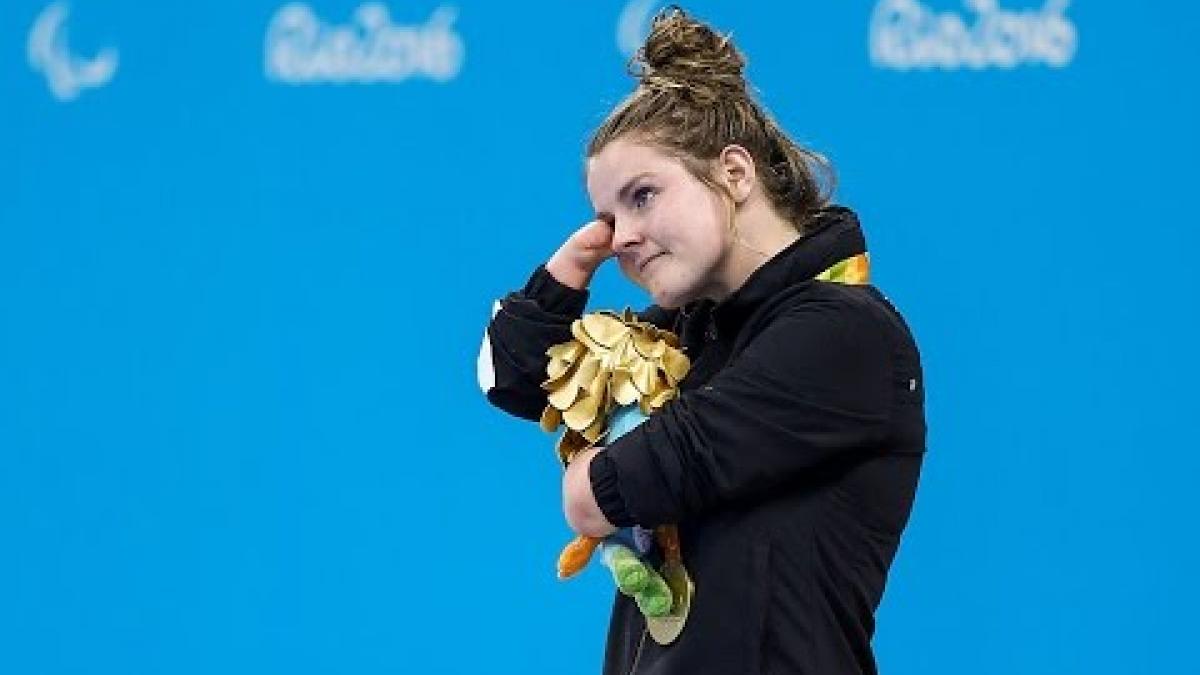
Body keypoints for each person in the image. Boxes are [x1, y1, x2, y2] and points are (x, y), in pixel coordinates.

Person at [477, 8, 925, 674]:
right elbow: (511, 378)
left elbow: (619, 483)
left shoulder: (843, 333)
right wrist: (567, 270)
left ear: (735, 174)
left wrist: (587, 479)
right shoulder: (689, 333)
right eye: (607, 215)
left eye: (644, 195)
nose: (622, 234)